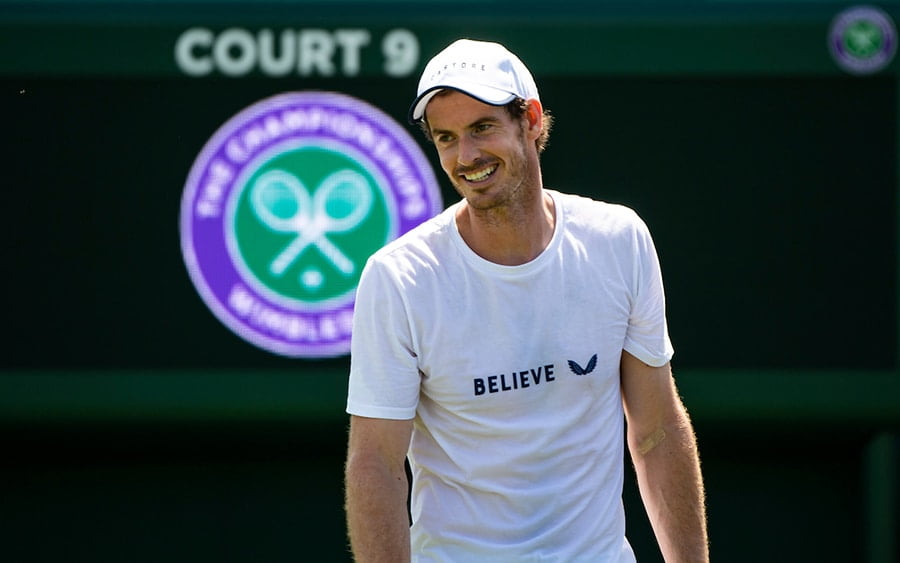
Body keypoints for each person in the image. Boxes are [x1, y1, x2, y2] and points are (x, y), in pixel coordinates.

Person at [344, 38, 708, 562]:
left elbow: (655, 430)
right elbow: (375, 464)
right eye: (446, 138)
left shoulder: (619, 239)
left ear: (532, 120)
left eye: (482, 128)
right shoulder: (398, 277)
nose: (465, 156)